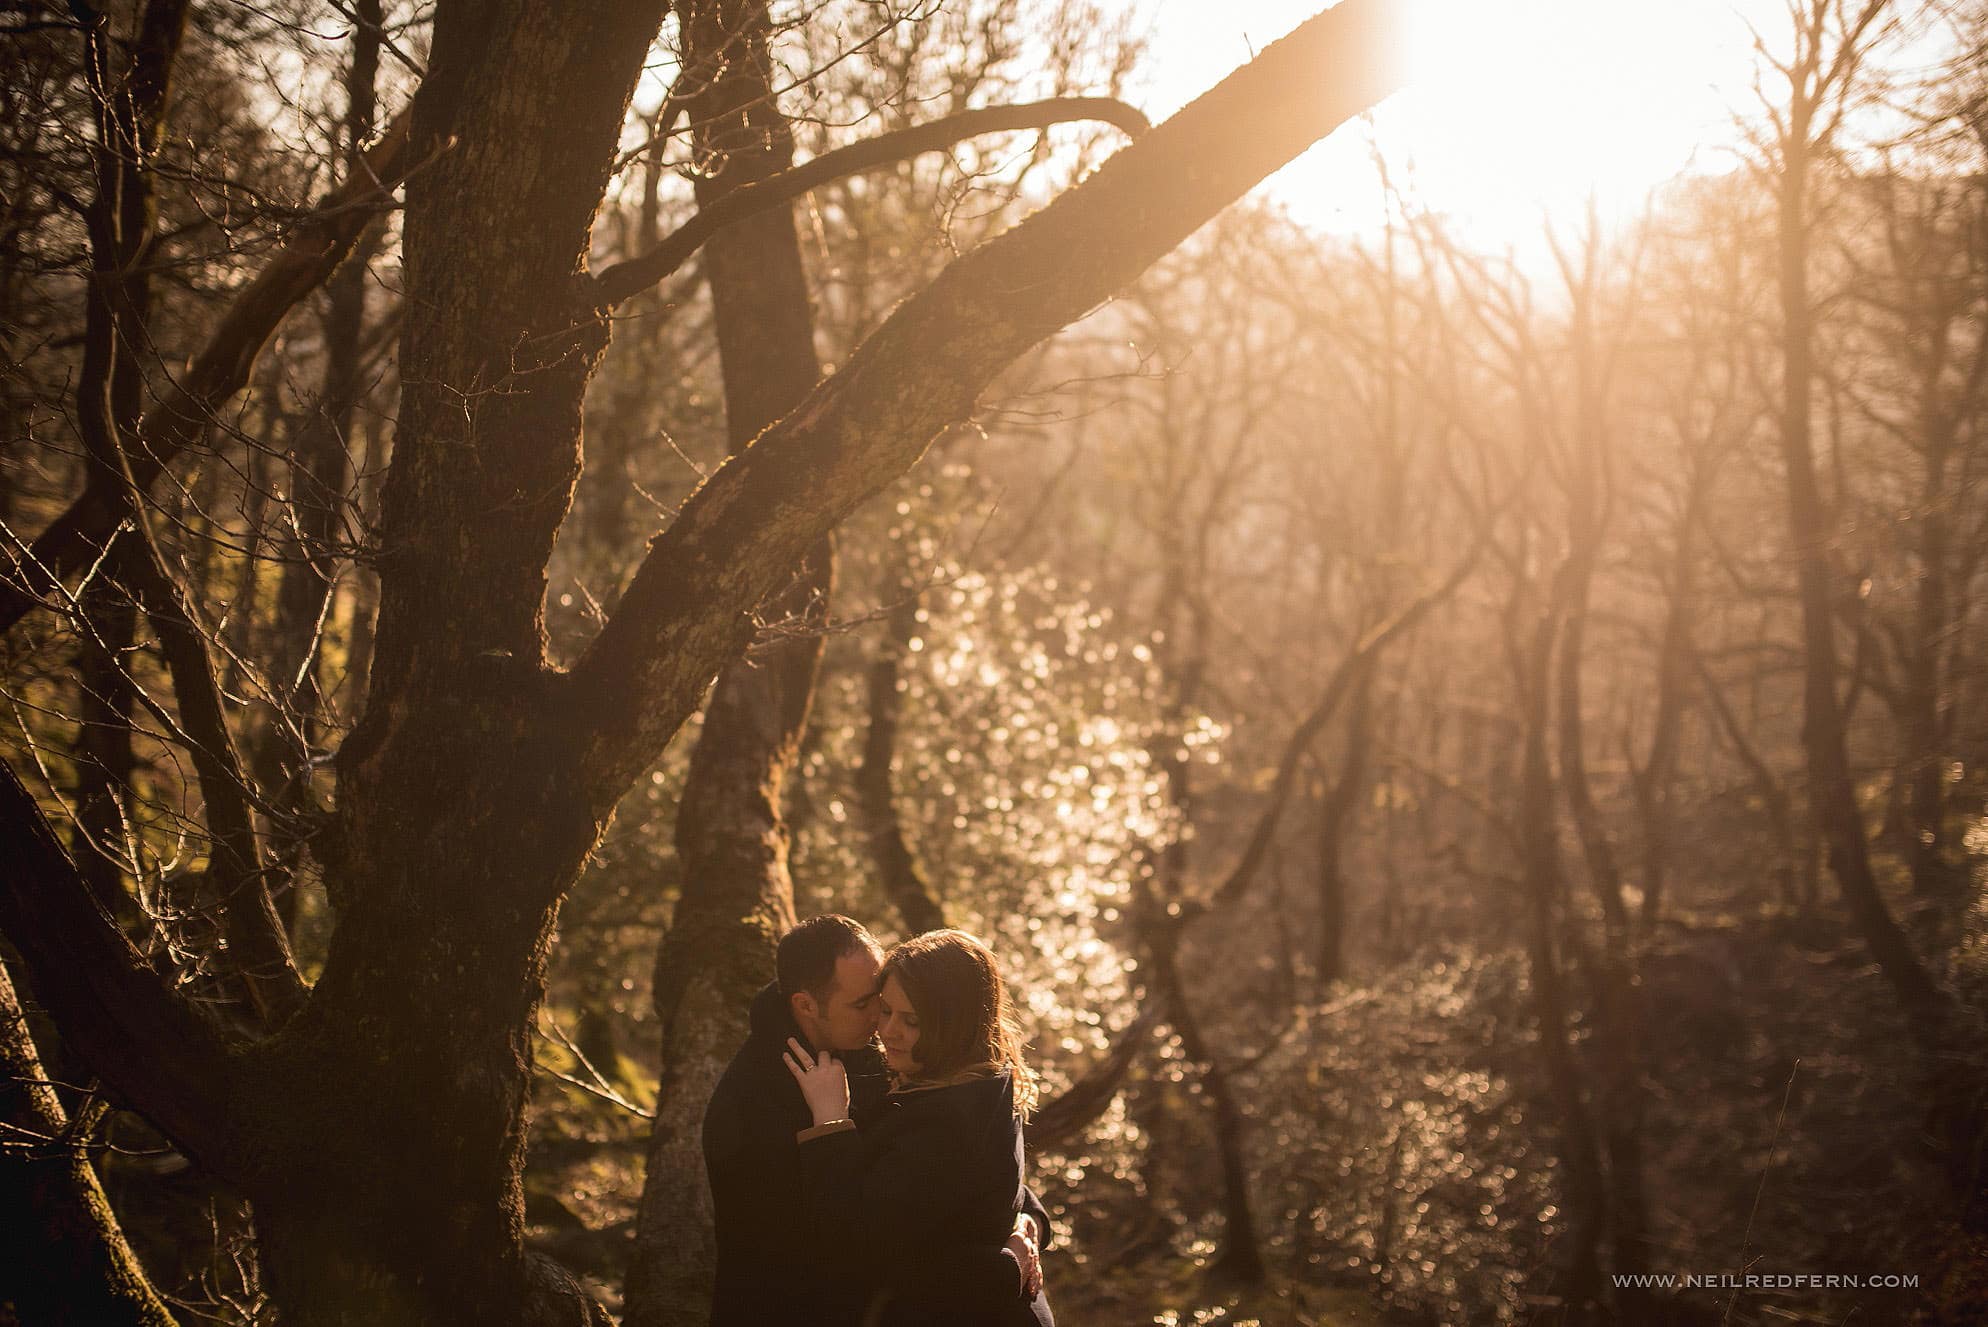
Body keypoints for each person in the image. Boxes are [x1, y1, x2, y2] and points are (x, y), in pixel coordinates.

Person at [702, 916, 1045, 1326]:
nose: (883, 1025)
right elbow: (847, 1258)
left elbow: (975, 1165)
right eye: (869, 1005)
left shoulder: (880, 1050)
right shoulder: (751, 1114)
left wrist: (1030, 1223)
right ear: (806, 1004)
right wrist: (1003, 1269)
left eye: (883, 1002)